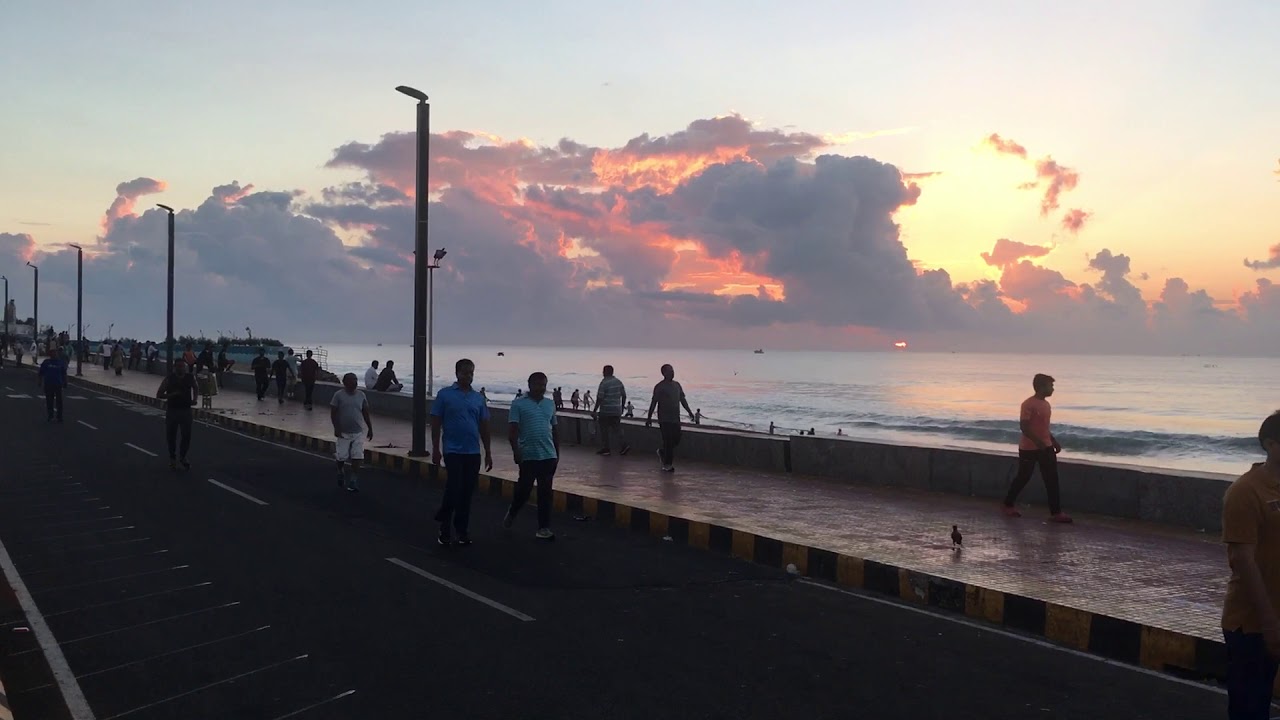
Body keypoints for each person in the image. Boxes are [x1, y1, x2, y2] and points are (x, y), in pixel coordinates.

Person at [1222, 412, 1280, 719]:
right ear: (1271, 444)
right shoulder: (1246, 492)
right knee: (1250, 708)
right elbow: (1242, 560)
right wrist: (1269, 623)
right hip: (1252, 624)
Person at [431, 358, 492, 546]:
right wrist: (435, 449)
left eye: (471, 373)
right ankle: (444, 525)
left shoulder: (478, 398)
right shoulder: (445, 395)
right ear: (457, 373)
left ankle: (461, 530)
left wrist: (488, 451)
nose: (468, 376)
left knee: (466, 493)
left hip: (472, 451)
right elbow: (435, 422)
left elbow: (484, 425)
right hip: (452, 449)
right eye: (465, 372)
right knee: (454, 487)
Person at [1001, 373, 1072, 523]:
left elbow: (1044, 427)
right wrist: (1037, 441)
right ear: (1040, 387)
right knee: (1023, 477)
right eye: (1050, 386)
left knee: (1052, 479)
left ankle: (1056, 513)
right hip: (1028, 449)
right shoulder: (1028, 404)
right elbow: (1024, 426)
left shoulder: (1046, 405)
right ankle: (1008, 504)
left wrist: (1053, 441)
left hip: (1046, 447)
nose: (1052, 389)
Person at [504, 371, 559, 540]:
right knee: (524, 490)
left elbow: (555, 430)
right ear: (530, 385)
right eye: (537, 384)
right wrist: (516, 451)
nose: (541, 388)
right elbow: (512, 431)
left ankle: (543, 528)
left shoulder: (550, 404)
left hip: (548, 455)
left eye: (543, 385)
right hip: (528, 455)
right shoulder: (518, 404)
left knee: (545, 492)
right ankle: (513, 511)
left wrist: (557, 453)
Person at [645, 364, 695, 473]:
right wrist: (649, 417)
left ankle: (662, 452)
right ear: (664, 373)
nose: (672, 373)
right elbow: (654, 402)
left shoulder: (677, 385)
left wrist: (690, 412)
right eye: (670, 371)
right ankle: (667, 465)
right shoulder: (659, 387)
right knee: (668, 441)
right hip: (664, 419)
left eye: (673, 370)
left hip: (675, 418)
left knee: (676, 439)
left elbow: (682, 400)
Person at [331, 373, 374, 492]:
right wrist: (336, 428)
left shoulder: (361, 395)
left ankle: (353, 480)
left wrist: (370, 428)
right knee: (341, 456)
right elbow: (333, 413)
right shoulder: (338, 395)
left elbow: (365, 412)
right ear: (345, 382)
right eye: (351, 380)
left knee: (357, 456)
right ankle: (340, 471)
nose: (354, 382)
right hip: (343, 433)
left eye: (355, 380)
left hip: (358, 432)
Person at [156, 360, 199, 470]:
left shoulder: (190, 377)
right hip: (173, 410)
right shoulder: (169, 379)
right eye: (179, 366)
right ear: (175, 367)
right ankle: (172, 458)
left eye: (183, 366)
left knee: (186, 435)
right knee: (171, 436)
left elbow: (195, 387)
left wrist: (194, 399)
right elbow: (159, 394)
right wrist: (172, 395)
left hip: (186, 410)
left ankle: (183, 456)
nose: (181, 368)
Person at [592, 364, 630, 456]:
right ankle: (624, 445)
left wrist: (594, 410)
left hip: (605, 410)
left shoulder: (604, 383)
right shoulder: (618, 382)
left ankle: (606, 448)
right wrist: (621, 407)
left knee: (604, 430)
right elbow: (624, 395)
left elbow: (600, 398)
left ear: (605, 372)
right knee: (617, 429)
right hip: (616, 410)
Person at [37, 345, 67, 423]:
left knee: (59, 401)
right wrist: (40, 381)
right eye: (52, 353)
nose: (54, 354)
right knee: (49, 401)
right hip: (48, 384)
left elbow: (64, 373)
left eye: (55, 352)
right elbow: (41, 373)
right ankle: (50, 415)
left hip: (58, 384)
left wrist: (65, 382)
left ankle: (59, 416)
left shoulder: (60, 362)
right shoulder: (46, 362)